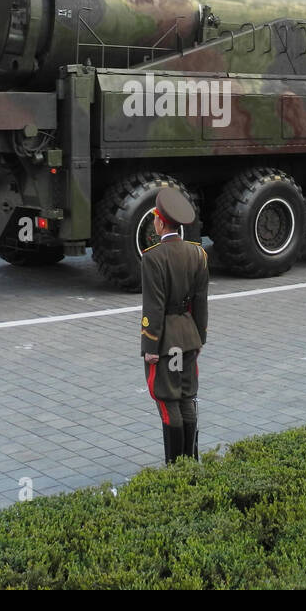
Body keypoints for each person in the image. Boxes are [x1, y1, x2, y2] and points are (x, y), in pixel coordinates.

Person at [140, 187, 209, 464]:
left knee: (168, 403)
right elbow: (201, 303)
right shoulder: (198, 254)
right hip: (189, 339)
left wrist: (150, 345)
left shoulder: (153, 257)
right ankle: (191, 462)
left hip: (166, 343)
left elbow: (153, 307)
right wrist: (200, 339)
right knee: (187, 397)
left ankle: (175, 467)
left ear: (159, 221)